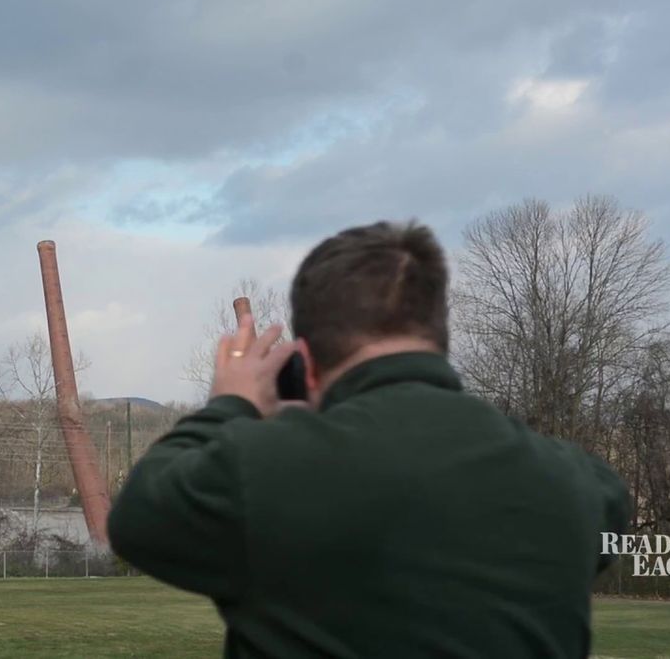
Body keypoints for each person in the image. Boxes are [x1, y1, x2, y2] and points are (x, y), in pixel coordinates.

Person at [108, 221, 630, 658]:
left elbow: (139, 518)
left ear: (306, 363)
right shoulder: (582, 484)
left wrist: (232, 403)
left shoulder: (266, 472)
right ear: (437, 338)